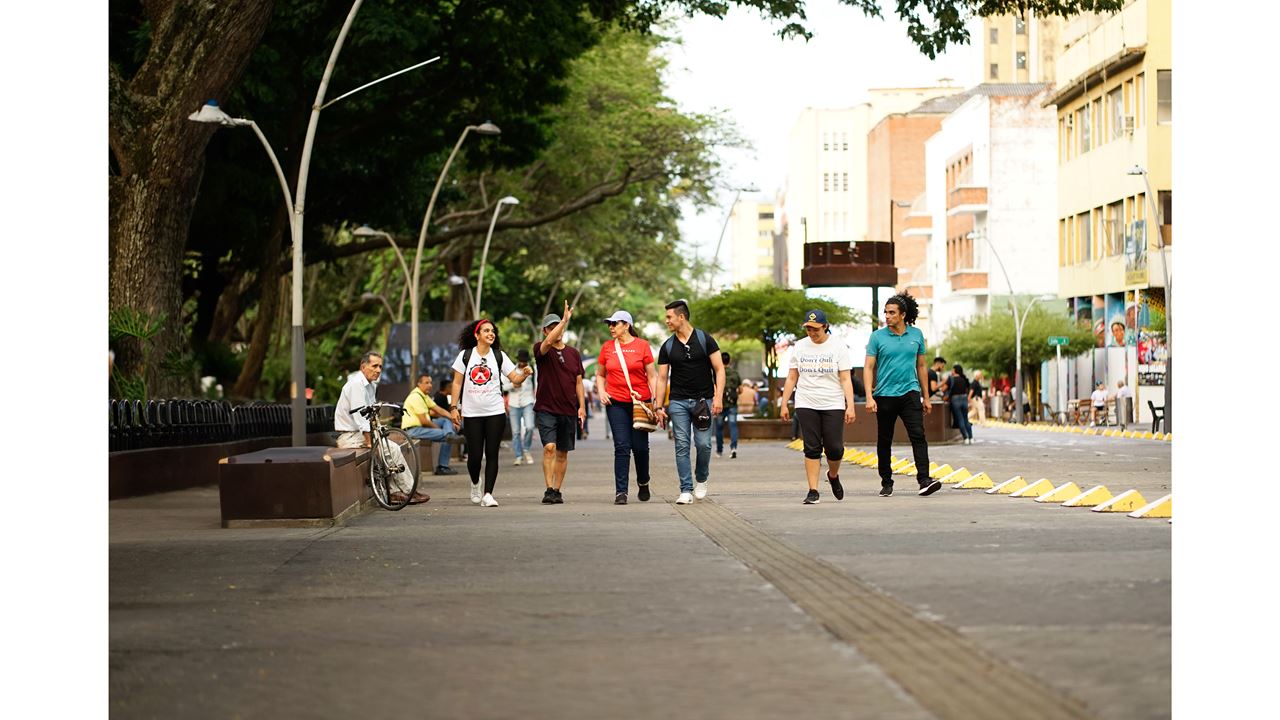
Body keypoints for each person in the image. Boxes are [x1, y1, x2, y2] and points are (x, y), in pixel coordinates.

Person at [864, 293, 941, 498]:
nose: (887, 316)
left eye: (892, 313)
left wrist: (926, 396)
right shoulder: (877, 337)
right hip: (885, 395)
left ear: (903, 315)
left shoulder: (916, 335)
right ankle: (886, 482)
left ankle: (924, 479)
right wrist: (869, 396)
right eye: (886, 313)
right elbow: (868, 367)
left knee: (918, 435)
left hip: (910, 393)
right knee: (884, 440)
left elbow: (922, 366)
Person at [449, 320, 531, 508]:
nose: (491, 333)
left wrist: (525, 373)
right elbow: (456, 383)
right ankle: (476, 483)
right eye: (486, 331)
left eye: (493, 331)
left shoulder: (499, 356)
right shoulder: (465, 356)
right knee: (475, 456)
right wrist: (454, 408)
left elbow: (515, 380)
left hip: (495, 411)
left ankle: (488, 494)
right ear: (477, 335)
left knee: (492, 453)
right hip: (471, 413)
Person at [653, 299, 726, 505]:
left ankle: (701, 478)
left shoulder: (705, 340)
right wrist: (658, 406)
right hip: (678, 402)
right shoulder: (667, 346)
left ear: (681, 317)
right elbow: (661, 378)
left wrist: (718, 397)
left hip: (703, 401)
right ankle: (686, 489)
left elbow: (719, 369)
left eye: (669, 317)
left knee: (703, 445)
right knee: (682, 445)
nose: (666, 320)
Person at [779, 309, 855, 504]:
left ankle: (833, 475)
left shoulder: (838, 346)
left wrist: (850, 406)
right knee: (812, 447)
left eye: (815, 329)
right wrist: (785, 403)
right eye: (808, 329)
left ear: (825, 327)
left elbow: (845, 378)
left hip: (833, 402)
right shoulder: (801, 346)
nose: (811, 333)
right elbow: (792, 376)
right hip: (806, 401)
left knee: (835, 449)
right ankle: (813, 490)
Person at [336, 352, 429, 505]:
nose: (378, 370)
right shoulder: (356, 385)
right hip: (350, 436)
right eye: (374, 366)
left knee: (389, 447)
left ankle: (399, 491)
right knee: (391, 449)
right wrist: (370, 442)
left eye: (380, 367)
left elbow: (371, 413)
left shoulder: (370, 385)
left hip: (360, 434)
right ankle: (406, 490)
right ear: (363, 366)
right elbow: (362, 419)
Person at [596, 310, 657, 505]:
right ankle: (621, 492)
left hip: (640, 402)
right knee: (621, 446)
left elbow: (652, 376)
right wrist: (601, 391)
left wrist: (656, 400)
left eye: (615, 323)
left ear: (627, 325)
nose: (611, 327)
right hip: (616, 403)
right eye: (610, 324)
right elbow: (600, 375)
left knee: (640, 448)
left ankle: (643, 481)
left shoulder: (643, 346)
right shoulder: (607, 348)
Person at [533, 304, 586, 505]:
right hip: (546, 407)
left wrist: (581, 407)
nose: (556, 330)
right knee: (549, 447)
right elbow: (548, 342)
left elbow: (579, 382)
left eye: (559, 327)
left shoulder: (574, 353)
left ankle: (557, 490)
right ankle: (548, 489)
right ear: (545, 330)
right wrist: (563, 320)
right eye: (551, 327)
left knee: (562, 453)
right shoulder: (540, 349)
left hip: (568, 409)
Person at [401, 373, 465, 476]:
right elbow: (424, 421)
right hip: (413, 430)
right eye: (426, 383)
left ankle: (450, 434)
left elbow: (439, 410)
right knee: (446, 436)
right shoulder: (416, 397)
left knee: (445, 420)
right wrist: (438, 429)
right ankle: (442, 467)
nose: (430, 385)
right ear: (419, 384)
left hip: (421, 427)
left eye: (430, 382)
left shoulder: (423, 396)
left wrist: (454, 418)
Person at [506, 348, 537, 466]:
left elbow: (536, 384)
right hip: (513, 403)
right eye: (521, 361)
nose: (523, 363)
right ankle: (518, 455)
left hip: (528, 401)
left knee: (529, 427)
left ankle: (526, 449)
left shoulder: (532, 369)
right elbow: (503, 386)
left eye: (525, 361)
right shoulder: (510, 369)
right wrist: (513, 385)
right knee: (516, 432)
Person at [714, 351, 743, 459]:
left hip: (720, 404)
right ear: (729, 361)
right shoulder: (735, 373)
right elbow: (741, 389)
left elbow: (714, 389)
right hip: (732, 404)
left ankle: (719, 451)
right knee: (733, 426)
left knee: (719, 428)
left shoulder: (717, 373)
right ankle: (733, 448)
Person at [944, 364, 975, 444]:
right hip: (964, 399)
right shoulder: (964, 379)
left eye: (952, 369)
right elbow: (968, 388)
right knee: (966, 419)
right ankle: (971, 437)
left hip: (955, 399)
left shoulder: (951, 379)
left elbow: (943, 388)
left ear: (954, 370)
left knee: (960, 419)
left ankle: (965, 438)